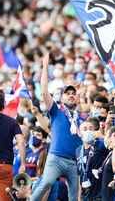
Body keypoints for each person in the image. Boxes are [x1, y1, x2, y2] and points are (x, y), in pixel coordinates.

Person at [30, 54, 82, 201]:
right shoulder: (57, 110)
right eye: (68, 93)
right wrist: (45, 68)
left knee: (74, 197)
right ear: (62, 97)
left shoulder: (82, 116)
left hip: (74, 162)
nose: (71, 96)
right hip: (56, 158)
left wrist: (82, 92)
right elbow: (44, 91)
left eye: (74, 94)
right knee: (45, 183)